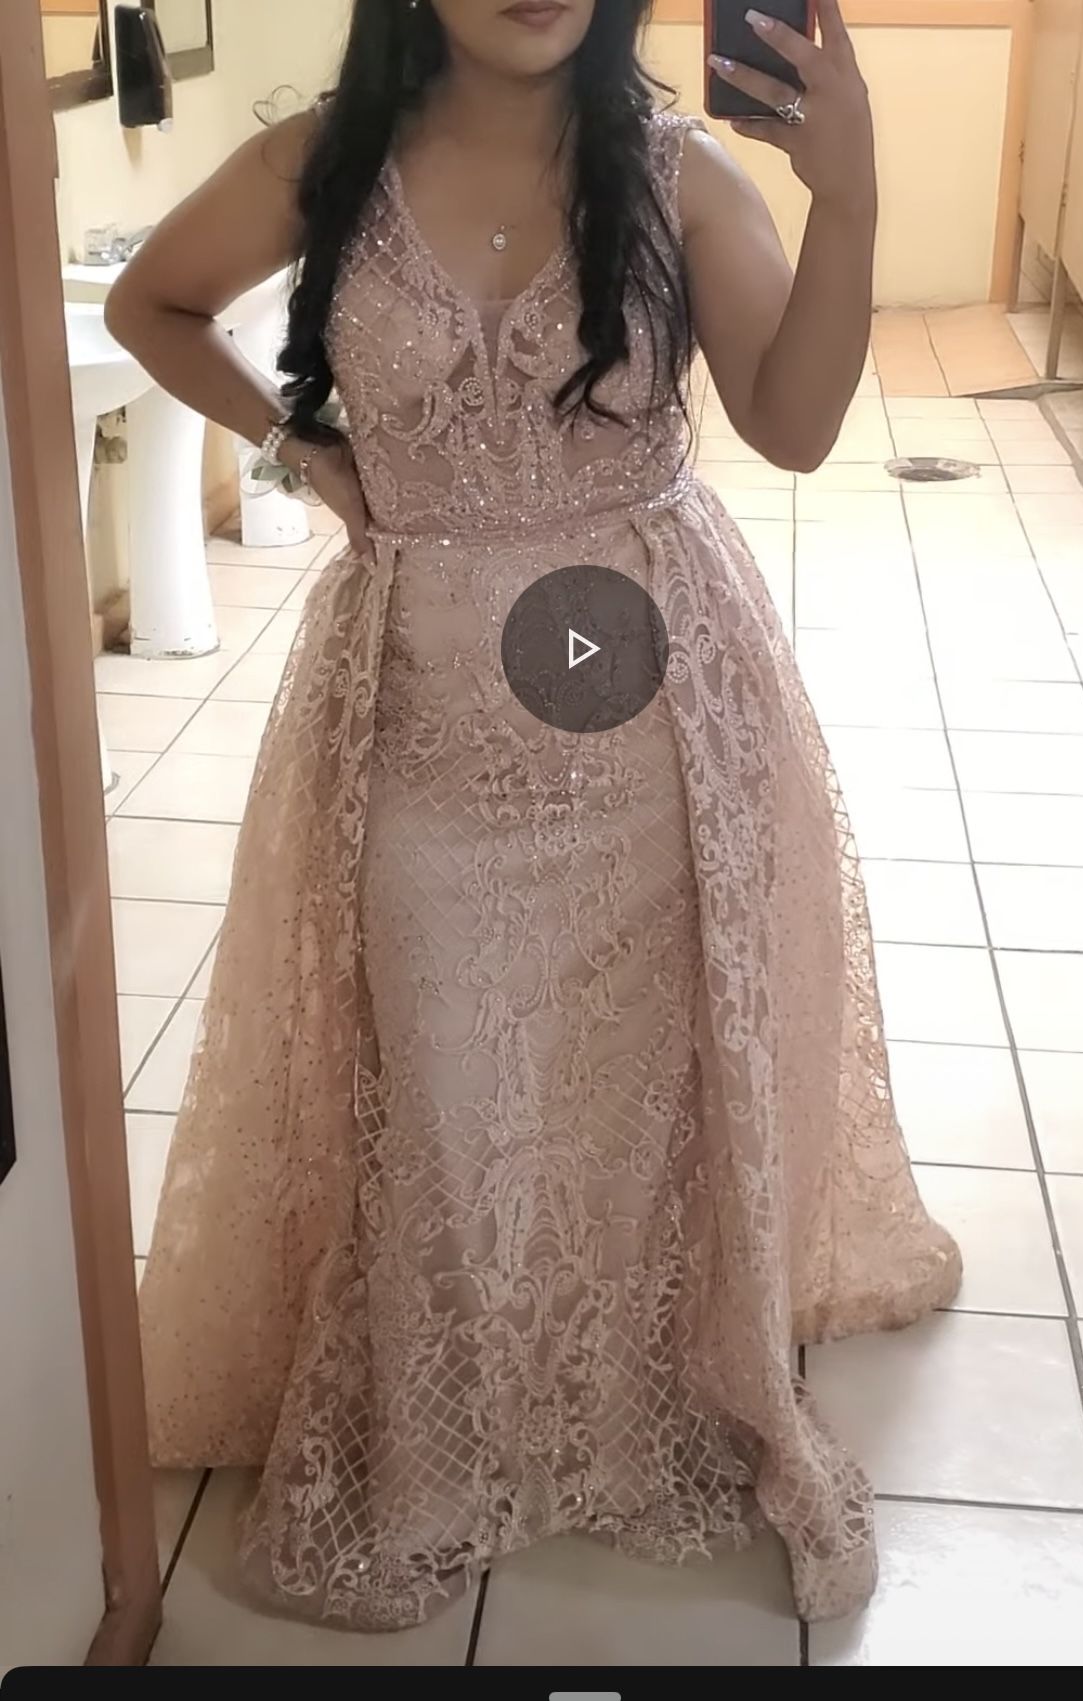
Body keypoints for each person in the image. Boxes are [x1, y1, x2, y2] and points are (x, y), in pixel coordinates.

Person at [108, 0, 960, 1633]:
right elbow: (153, 301)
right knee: (436, 1070)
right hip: (419, 715)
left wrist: (848, 200)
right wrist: (297, 446)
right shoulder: (319, 163)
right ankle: (452, 1415)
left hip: (653, 708)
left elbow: (791, 426)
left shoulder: (681, 176)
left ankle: (626, 1370)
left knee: (637, 1080)